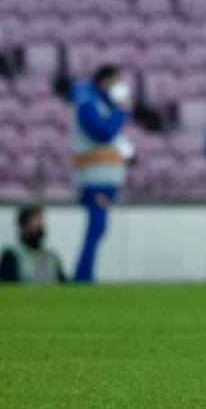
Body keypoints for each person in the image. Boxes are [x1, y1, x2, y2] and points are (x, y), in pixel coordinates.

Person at [70, 64, 134, 283]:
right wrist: (121, 111)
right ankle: (82, 276)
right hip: (93, 179)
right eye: (117, 81)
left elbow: (112, 140)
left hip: (105, 179)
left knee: (98, 229)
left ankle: (84, 274)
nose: (120, 87)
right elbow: (103, 133)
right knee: (96, 228)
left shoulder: (104, 106)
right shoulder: (88, 105)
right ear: (104, 81)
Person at [0, 205, 66, 283]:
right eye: (35, 220)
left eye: (41, 220)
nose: (40, 225)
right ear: (23, 225)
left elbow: (64, 286)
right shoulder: (11, 256)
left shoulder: (51, 257)